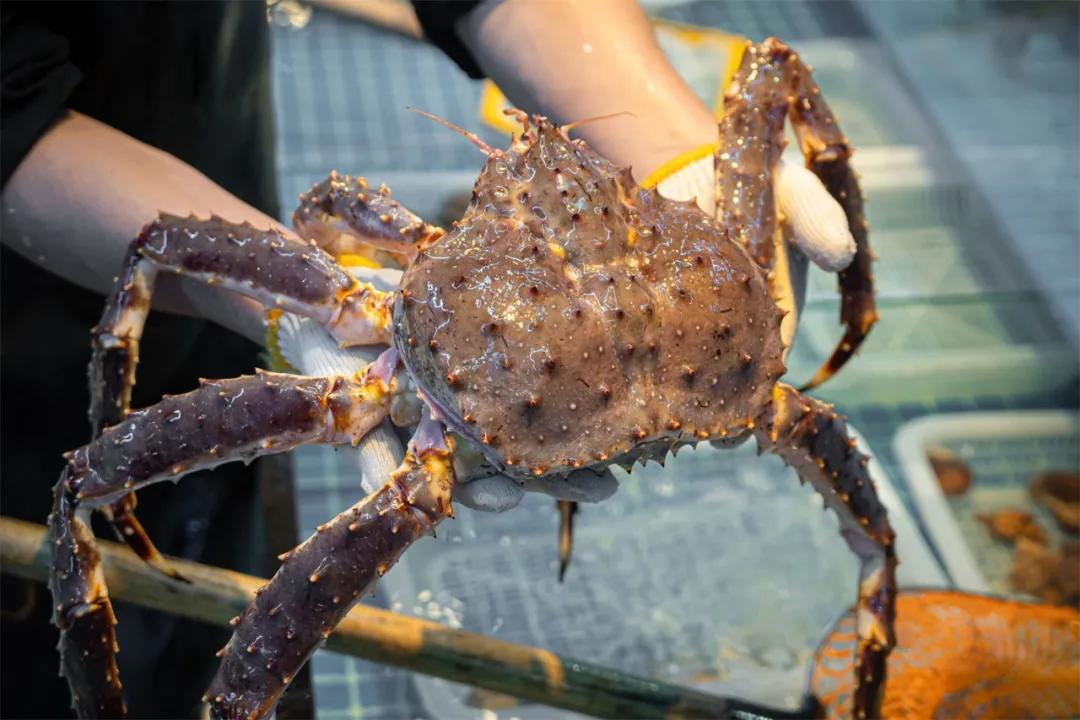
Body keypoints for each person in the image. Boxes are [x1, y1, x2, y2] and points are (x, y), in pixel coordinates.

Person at [1, 1, 853, 717]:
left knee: (117, 512)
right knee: (83, 502)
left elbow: (310, 214)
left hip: (208, 98)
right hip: (34, 297)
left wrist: (674, 136)